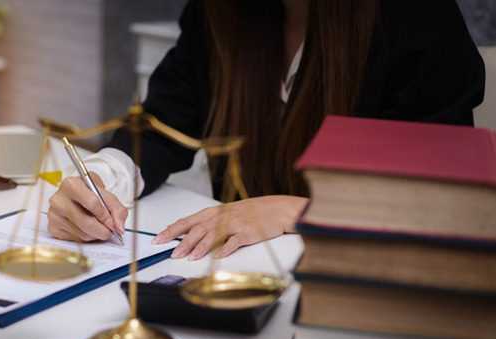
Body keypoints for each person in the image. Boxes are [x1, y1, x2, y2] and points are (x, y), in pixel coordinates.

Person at [48, 0, 485, 261]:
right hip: (234, 272)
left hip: (357, 284)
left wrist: (297, 211)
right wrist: (105, 178)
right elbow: (163, 122)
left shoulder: (417, 16)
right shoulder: (218, 12)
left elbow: (440, 196)